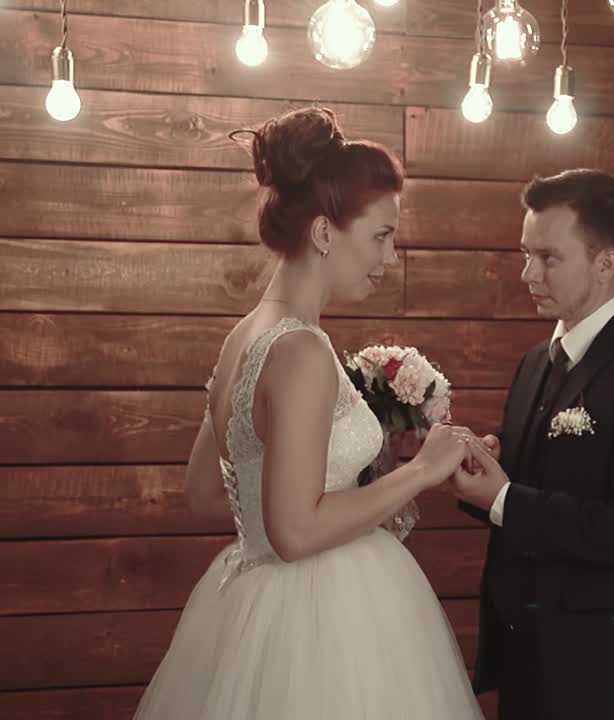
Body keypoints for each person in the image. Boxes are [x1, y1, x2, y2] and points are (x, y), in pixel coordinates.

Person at [134, 106, 484, 719]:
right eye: (380, 236)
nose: (391, 256)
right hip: (323, 623)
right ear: (325, 233)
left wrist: (347, 487)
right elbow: (294, 532)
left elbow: (208, 495)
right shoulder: (301, 349)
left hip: (250, 606)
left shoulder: (243, 336)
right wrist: (421, 471)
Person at [452, 169, 614, 719]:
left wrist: (503, 499)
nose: (527, 273)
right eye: (525, 254)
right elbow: (537, 488)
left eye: (548, 257)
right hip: (528, 664)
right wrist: (488, 471)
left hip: (607, 678)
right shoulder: (533, 365)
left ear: (606, 262)